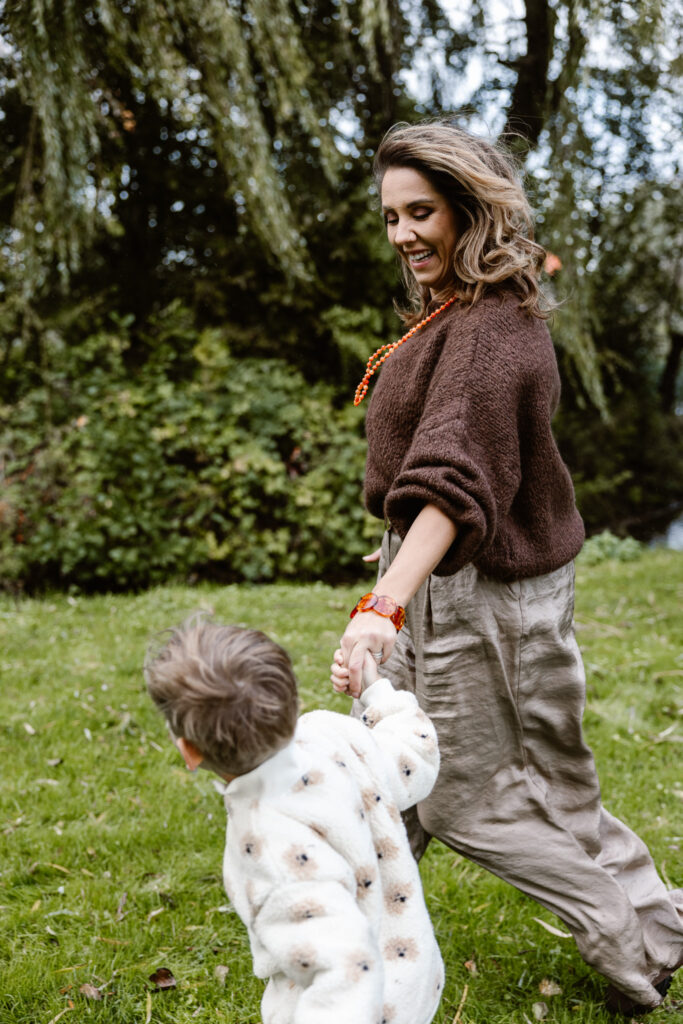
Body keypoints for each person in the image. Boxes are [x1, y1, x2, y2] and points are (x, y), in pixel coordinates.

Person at [334, 119, 683, 1017]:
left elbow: (453, 484)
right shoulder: (458, 313)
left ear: (468, 209)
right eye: (390, 217)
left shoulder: (492, 331)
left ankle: (626, 945)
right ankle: (358, 953)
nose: (404, 234)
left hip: (477, 593)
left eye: (422, 212)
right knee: (411, 771)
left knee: (459, 799)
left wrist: (384, 605)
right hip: (454, 579)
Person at [145, 617, 444, 1024]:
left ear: (189, 751)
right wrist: (376, 690)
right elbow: (415, 753)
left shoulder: (272, 852)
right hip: (411, 970)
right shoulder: (330, 735)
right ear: (292, 702)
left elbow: (347, 971)